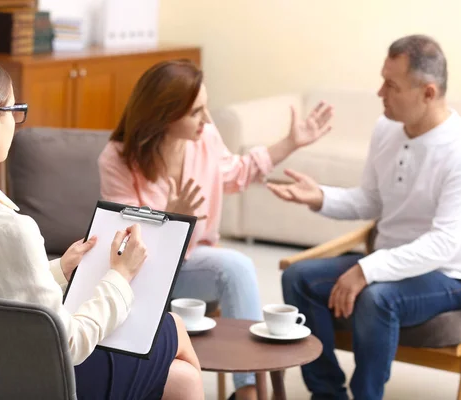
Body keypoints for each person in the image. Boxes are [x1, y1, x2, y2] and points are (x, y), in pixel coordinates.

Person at [0, 52, 204, 400]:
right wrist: (120, 275)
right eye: (16, 111)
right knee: (171, 328)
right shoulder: (8, 229)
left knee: (181, 379)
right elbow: (66, 344)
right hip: (32, 384)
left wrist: (61, 268)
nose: (18, 122)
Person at [268, 35, 461, 400]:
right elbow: (371, 200)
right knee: (298, 277)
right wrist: (321, 196)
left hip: (450, 273)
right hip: (391, 261)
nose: (379, 92)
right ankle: (327, 393)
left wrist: (365, 270)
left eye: (391, 85)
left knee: (378, 298)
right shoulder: (386, 128)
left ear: (428, 92)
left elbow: (443, 244)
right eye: (382, 79)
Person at [98, 59, 333, 400]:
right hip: (140, 272)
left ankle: (249, 391)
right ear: (164, 114)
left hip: (192, 261)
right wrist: (169, 221)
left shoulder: (204, 138)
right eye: (196, 112)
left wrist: (291, 143)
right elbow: (123, 246)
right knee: (229, 265)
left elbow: (237, 172)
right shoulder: (117, 159)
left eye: (205, 108)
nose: (207, 120)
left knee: (236, 267)